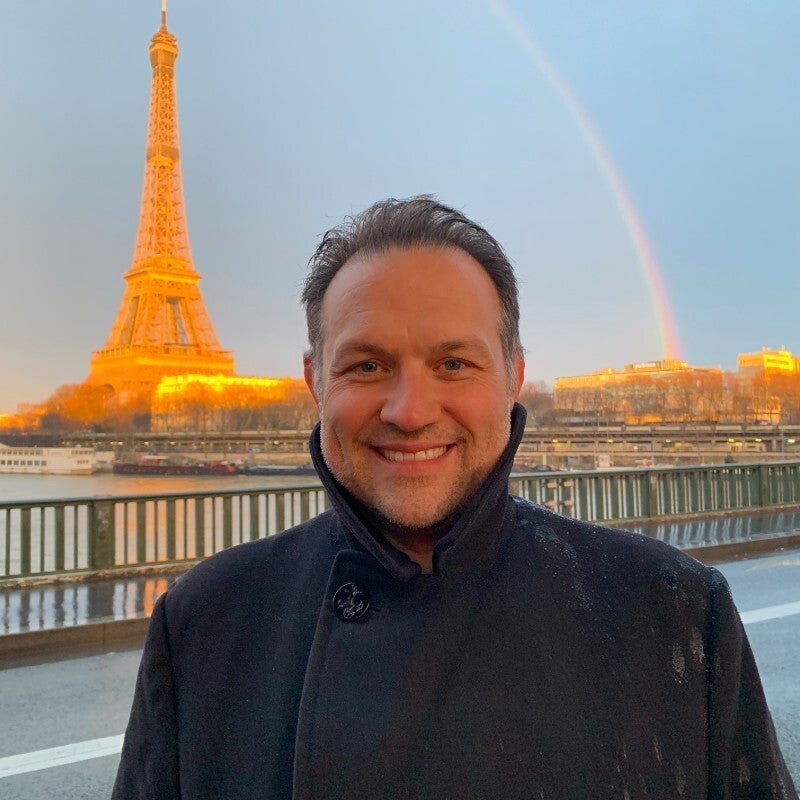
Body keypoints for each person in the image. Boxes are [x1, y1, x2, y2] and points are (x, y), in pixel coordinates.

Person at [113, 196, 797, 799]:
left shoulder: (677, 613)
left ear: (514, 376)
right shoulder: (200, 624)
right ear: (316, 381)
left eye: (453, 364)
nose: (411, 411)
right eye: (369, 365)